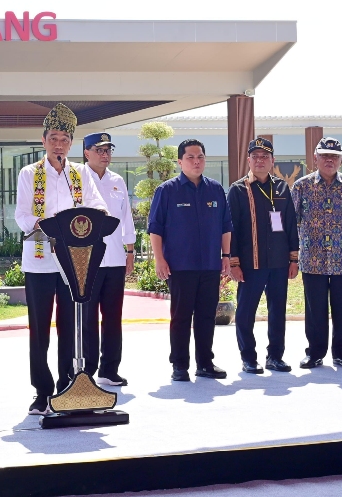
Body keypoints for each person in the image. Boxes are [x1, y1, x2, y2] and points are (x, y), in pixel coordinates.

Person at [15, 104, 107, 415]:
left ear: (71, 144)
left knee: (72, 326)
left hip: (75, 264)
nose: (59, 145)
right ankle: (42, 391)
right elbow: (22, 215)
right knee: (39, 329)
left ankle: (69, 385)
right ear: (43, 141)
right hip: (40, 262)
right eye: (54, 138)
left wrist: (95, 218)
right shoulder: (30, 173)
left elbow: (98, 207)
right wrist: (46, 224)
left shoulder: (81, 173)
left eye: (65, 139)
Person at [148, 139, 232, 382]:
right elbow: (155, 229)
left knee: (207, 315)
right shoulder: (167, 190)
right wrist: (159, 260)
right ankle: (180, 366)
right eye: (191, 157)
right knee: (181, 316)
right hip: (180, 265)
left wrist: (225, 256)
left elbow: (226, 226)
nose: (197, 162)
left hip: (209, 264)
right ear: (180, 161)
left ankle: (205, 363)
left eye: (201, 157)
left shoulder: (215, 189)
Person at [226, 137, 299, 374]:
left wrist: (293, 259)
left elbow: (290, 223)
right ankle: (248, 358)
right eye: (255, 156)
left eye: (264, 156)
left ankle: (275, 357)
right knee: (246, 312)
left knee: (278, 311)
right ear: (248, 160)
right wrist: (233, 262)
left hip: (278, 262)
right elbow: (231, 228)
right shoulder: (238, 190)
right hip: (250, 264)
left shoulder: (281, 187)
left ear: (272, 161)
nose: (260, 160)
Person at [291, 137, 342, 369]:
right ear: (316, 158)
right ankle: (315, 353)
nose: (329, 160)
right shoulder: (301, 186)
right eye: (324, 155)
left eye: (334, 156)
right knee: (315, 309)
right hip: (313, 259)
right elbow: (293, 222)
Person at [81, 132, 136, 387]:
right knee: (88, 318)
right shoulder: (77, 179)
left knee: (113, 316)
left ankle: (110, 369)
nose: (105, 155)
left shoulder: (117, 180)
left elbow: (126, 218)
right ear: (86, 153)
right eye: (99, 150)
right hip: (87, 259)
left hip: (114, 258)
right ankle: (88, 370)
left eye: (108, 150)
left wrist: (130, 251)